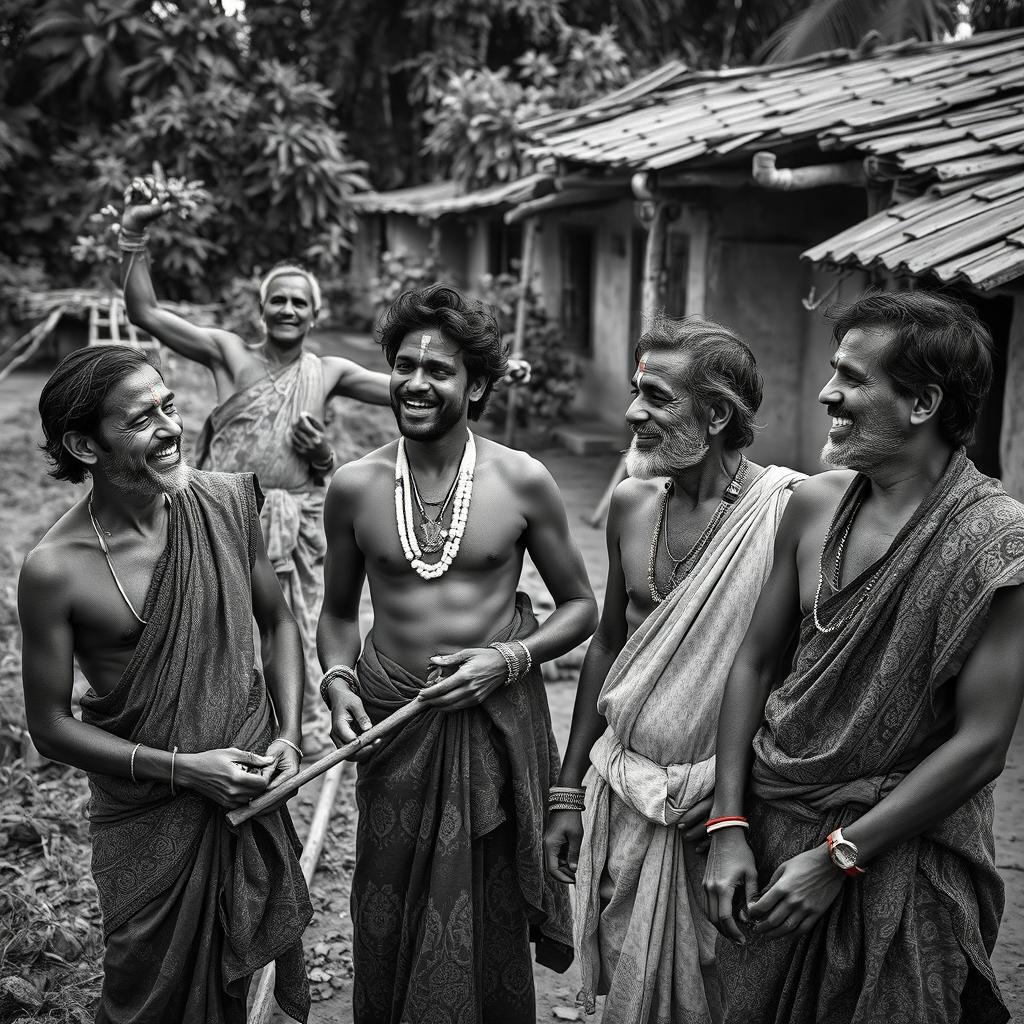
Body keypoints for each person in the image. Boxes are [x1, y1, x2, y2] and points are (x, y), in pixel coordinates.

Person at [702, 290, 1024, 1024]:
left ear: (922, 403)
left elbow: (981, 746)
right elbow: (754, 664)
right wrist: (727, 826)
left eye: (851, 378)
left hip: (901, 852)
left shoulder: (998, 543)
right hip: (772, 830)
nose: (827, 393)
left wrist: (839, 856)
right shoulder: (814, 504)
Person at [317, 283, 598, 1024]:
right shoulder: (354, 486)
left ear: (476, 384)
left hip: (490, 733)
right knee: (386, 901)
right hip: (395, 727)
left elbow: (582, 609)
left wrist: (506, 661)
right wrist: (338, 680)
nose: (415, 381)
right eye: (403, 364)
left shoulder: (520, 480)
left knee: (485, 906)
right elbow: (338, 613)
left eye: (438, 370)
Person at [18, 345, 312, 1023]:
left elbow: (278, 625)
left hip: (247, 789)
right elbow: (50, 726)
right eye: (142, 419)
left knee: (234, 986)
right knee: (142, 994)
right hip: (148, 819)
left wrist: (290, 738)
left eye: (170, 406)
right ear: (84, 446)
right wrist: (186, 771)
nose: (172, 427)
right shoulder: (57, 568)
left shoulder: (224, 503)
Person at [542, 317, 804, 1024]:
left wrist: (730, 802)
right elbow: (608, 645)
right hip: (626, 791)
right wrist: (568, 792)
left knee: (726, 993)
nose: (633, 413)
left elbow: (795, 677)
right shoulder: (631, 504)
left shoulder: (787, 514)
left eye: (655, 397)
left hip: (723, 816)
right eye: (636, 391)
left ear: (717, 414)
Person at [119, 179, 391, 755]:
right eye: (279, 299)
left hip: (298, 524)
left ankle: (300, 727)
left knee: (291, 620)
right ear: (261, 308)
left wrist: (482, 374)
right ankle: (209, 720)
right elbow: (144, 311)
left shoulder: (331, 372)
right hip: (220, 515)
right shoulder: (228, 353)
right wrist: (134, 232)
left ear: (315, 316)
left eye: (300, 302)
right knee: (213, 621)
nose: (288, 308)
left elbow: (412, 389)